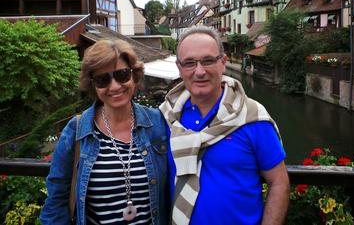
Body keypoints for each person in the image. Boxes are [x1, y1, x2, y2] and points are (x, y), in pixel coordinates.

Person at [160, 27, 290, 225]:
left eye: (208, 60)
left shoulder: (253, 117)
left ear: (223, 62)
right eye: (189, 63)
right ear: (179, 67)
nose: (199, 71)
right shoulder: (166, 117)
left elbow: (279, 182)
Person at [40, 39, 169, 225]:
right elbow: (56, 202)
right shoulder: (77, 131)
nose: (115, 86)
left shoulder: (157, 122)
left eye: (122, 75)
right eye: (103, 79)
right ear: (92, 84)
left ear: (134, 75)